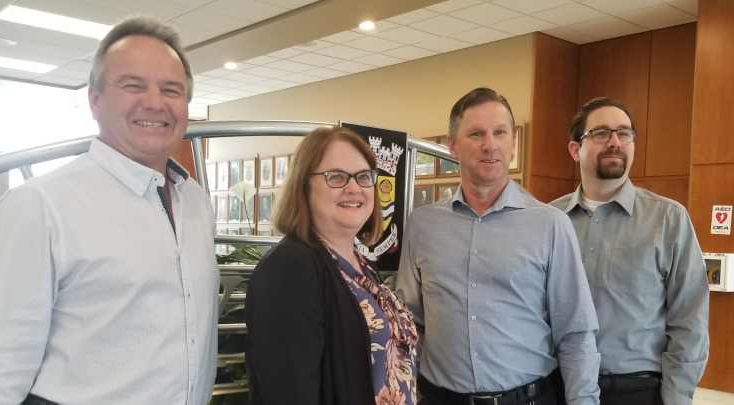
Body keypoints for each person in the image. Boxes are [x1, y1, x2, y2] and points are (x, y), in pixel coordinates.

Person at [0, 15, 220, 404]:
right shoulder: (40, 205)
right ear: (94, 99)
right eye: (133, 85)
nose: (155, 102)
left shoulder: (194, 200)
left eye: (172, 89)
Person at [396, 87, 601, 405]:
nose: (489, 145)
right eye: (476, 133)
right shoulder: (422, 226)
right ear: (452, 145)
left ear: (514, 142)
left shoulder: (550, 225)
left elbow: (576, 333)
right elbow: (410, 324)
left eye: (500, 132)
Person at [549, 97, 709, 405]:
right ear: (575, 149)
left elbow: (690, 320)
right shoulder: (548, 221)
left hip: (637, 393)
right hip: (557, 388)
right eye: (601, 133)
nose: (614, 142)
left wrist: (676, 397)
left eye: (624, 133)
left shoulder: (668, 219)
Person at [245, 126, 419, 405]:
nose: (354, 188)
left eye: (363, 177)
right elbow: (290, 393)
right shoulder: (289, 269)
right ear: (303, 186)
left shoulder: (360, 264)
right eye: (336, 176)